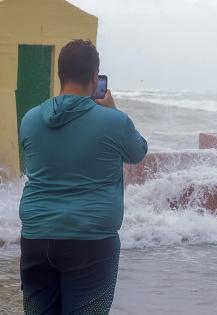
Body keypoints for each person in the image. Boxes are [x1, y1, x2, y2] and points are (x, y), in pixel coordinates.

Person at [18, 39, 148, 314]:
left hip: (36, 238)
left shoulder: (30, 119)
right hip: (91, 241)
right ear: (94, 77)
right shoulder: (114, 121)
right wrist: (111, 109)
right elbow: (138, 153)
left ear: (60, 75)